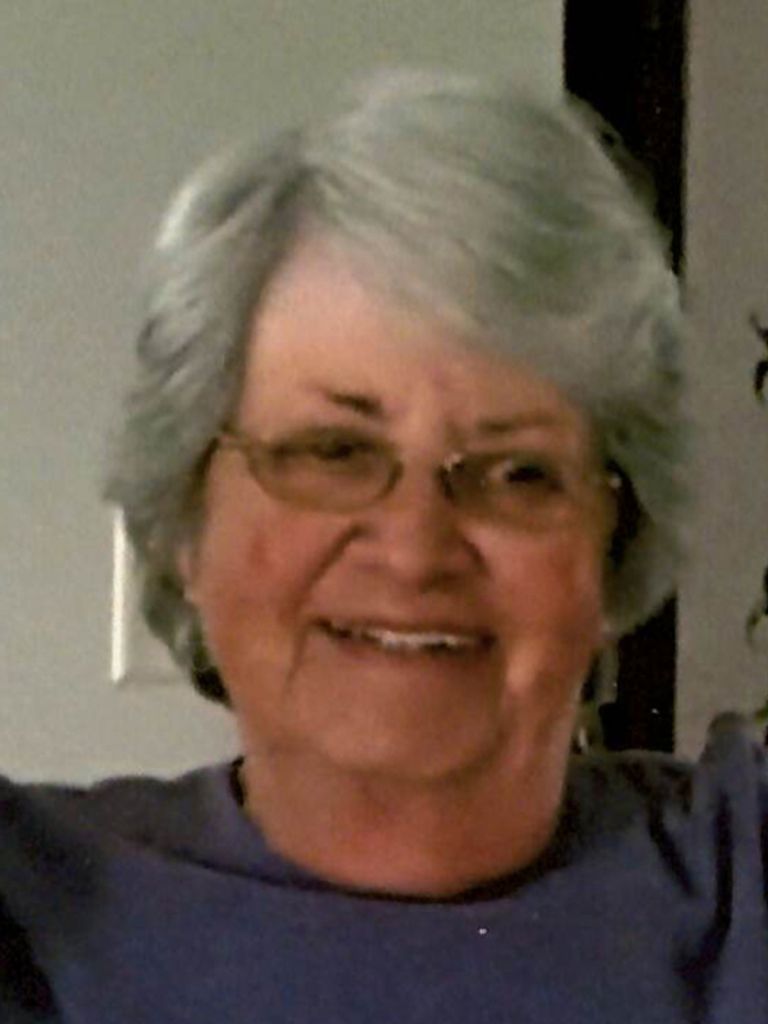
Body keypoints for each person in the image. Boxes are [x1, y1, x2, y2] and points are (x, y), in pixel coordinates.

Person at [1, 70, 766, 1023]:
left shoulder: (739, 886)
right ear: (187, 522)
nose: (413, 549)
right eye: (334, 452)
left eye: (518, 472)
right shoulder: (32, 913)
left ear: (616, 544)